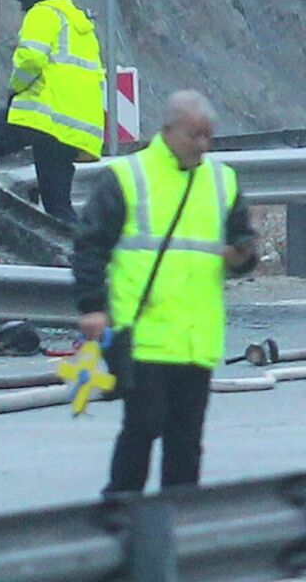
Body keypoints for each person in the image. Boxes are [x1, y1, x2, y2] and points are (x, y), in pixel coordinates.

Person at [73, 89, 258, 497]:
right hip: (143, 334)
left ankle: (180, 524)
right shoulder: (127, 177)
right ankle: (122, 510)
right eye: (194, 135)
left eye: (208, 136)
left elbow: (244, 244)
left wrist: (241, 257)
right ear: (168, 130)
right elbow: (89, 245)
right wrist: (92, 306)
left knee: (186, 439)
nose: (202, 145)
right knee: (143, 425)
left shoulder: (221, 181)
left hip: (196, 338)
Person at [0, 0, 105, 230]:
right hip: (70, 128)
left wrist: (15, 88)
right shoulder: (80, 26)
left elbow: (30, 59)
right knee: (58, 206)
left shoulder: (43, 13)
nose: (23, 11)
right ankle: (83, 246)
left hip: (41, 115)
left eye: (24, 4)